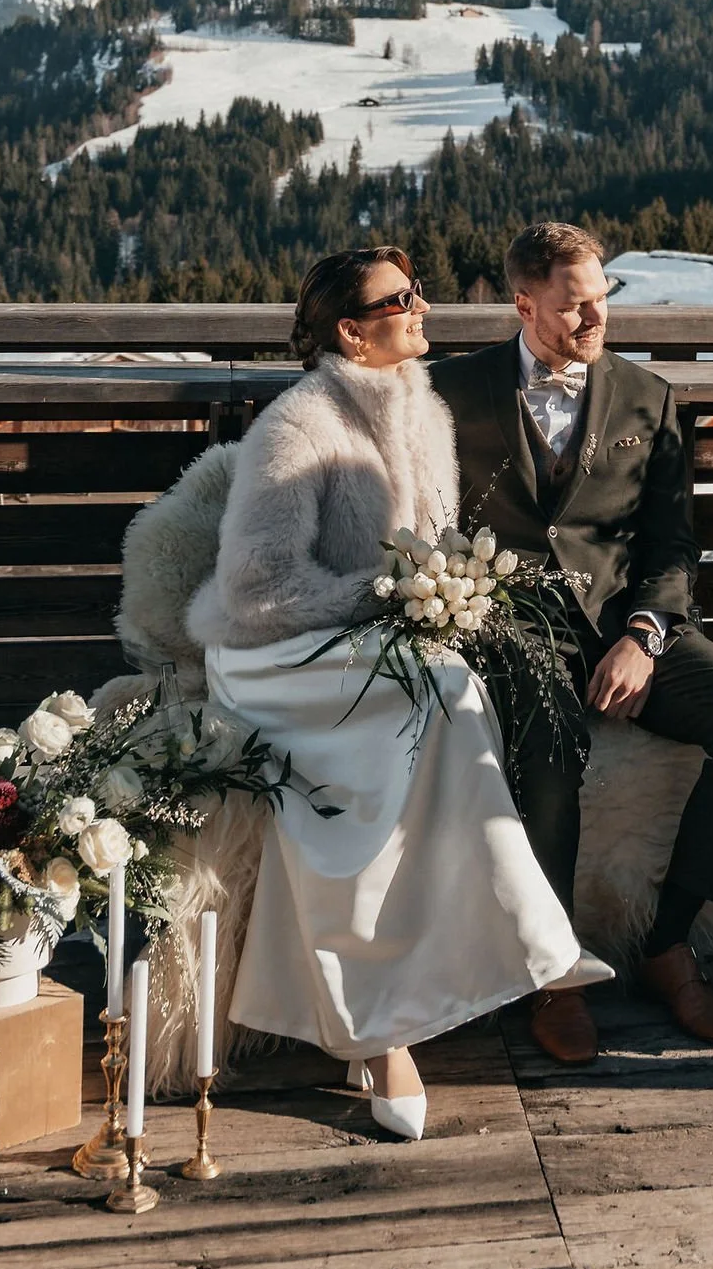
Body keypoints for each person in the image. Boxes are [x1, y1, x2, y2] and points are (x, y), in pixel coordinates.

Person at [187, 243, 608, 1138]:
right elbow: (256, 593)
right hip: (280, 659)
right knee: (434, 699)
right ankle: (381, 1030)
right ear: (352, 329)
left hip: (386, 643)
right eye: (402, 299)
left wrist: (437, 595)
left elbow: (436, 544)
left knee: (446, 689)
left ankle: (505, 951)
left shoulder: (426, 410)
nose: (424, 308)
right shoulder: (297, 428)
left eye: (418, 292)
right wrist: (393, 596)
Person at [432, 220, 713, 1063]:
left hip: (626, 625)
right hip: (512, 628)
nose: (594, 321)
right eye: (571, 308)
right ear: (524, 305)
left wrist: (644, 634)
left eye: (602, 301)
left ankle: (669, 944)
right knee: (554, 749)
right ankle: (555, 977)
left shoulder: (648, 397)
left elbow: (672, 546)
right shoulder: (450, 394)